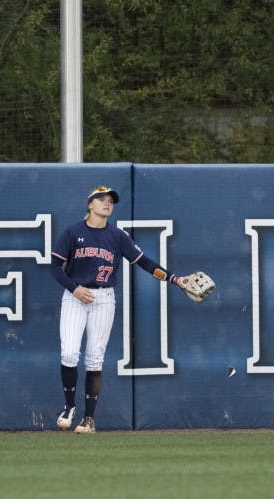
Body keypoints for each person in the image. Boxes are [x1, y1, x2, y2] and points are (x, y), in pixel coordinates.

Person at [50, 185, 184, 433]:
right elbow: (54, 266)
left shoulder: (117, 236)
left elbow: (144, 262)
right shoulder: (72, 232)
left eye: (110, 200)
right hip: (75, 296)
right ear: (90, 204)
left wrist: (175, 279)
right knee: (69, 353)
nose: (107, 203)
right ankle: (69, 406)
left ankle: (89, 419)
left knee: (95, 358)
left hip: (104, 298)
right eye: (101, 199)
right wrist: (74, 288)